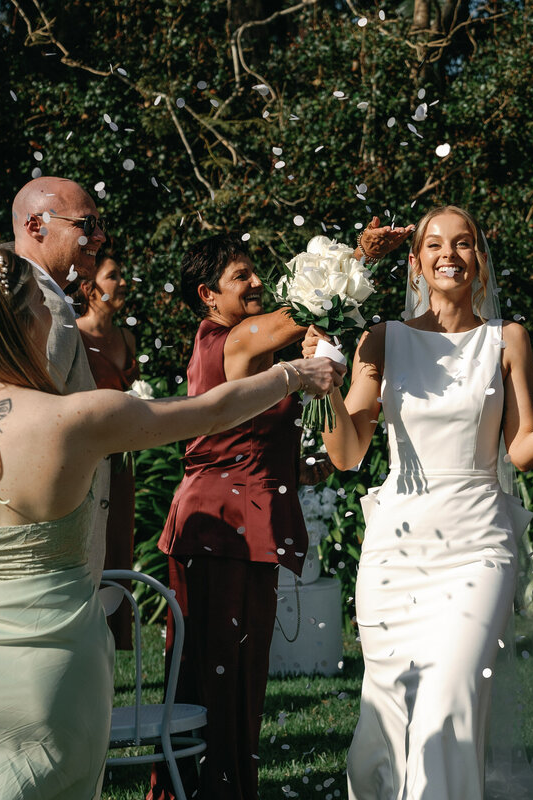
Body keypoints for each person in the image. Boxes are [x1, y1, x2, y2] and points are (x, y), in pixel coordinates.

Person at [0, 246, 342, 800]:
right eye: (43, 307)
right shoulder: (78, 417)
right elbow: (211, 413)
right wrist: (294, 372)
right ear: (25, 322)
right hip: (55, 671)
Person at [315, 205, 533, 799]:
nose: (449, 254)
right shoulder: (383, 339)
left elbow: (521, 451)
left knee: (451, 698)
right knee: (386, 716)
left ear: (480, 261)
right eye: (435, 244)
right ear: (416, 263)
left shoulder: (507, 339)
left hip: (478, 547)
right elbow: (346, 455)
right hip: (396, 552)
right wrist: (321, 385)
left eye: (464, 243)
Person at [148, 229, 403, 800]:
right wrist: (360, 257)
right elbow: (307, 310)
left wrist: (302, 468)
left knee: (237, 673)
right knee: (219, 674)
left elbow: (248, 439)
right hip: (220, 529)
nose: (257, 281)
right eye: (241, 276)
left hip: (242, 525)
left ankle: (217, 786)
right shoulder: (233, 339)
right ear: (208, 295)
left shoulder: (255, 351)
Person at [11, 176, 111, 582]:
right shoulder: (44, 304)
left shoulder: (18, 293)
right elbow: (34, 426)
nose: (100, 236)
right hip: (45, 550)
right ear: (36, 225)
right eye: (87, 225)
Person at [75, 253, 139, 649]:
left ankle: (115, 641)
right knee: (89, 545)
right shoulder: (74, 337)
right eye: (113, 276)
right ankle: (86, 636)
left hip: (121, 463)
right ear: (88, 288)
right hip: (86, 461)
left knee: (117, 545)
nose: (123, 282)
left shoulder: (128, 339)